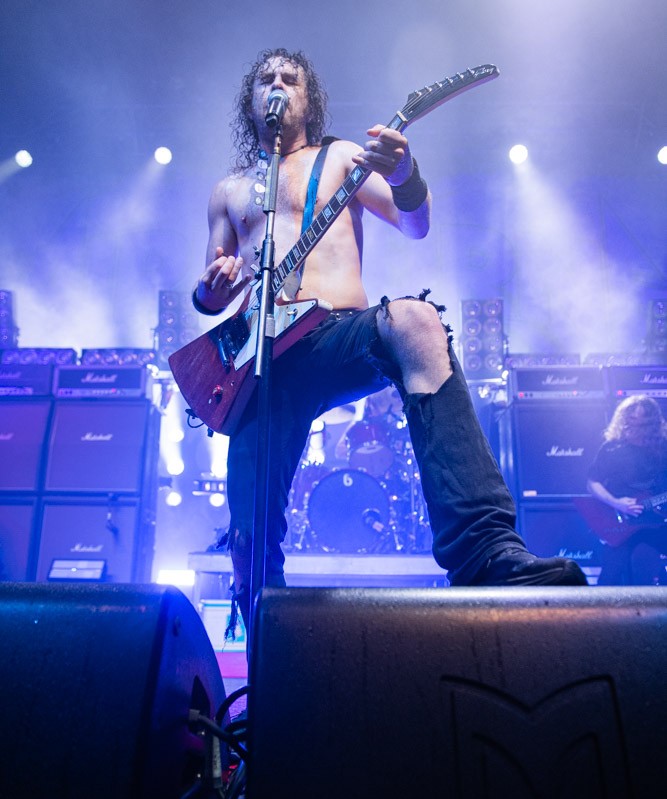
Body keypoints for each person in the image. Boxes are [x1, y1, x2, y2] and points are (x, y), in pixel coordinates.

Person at [191, 47, 586, 632]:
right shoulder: (228, 190)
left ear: (308, 99)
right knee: (248, 539)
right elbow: (211, 294)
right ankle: (268, 655)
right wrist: (212, 288)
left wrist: (404, 174)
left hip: (333, 335)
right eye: (265, 79)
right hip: (261, 363)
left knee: (417, 322)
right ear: (250, 102)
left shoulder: (340, 157)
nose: (276, 85)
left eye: (289, 78)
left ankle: (485, 551)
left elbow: (415, 224)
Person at [586, 395, 667, 585]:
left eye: (641, 424)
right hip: (620, 522)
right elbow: (592, 483)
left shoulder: (662, 447)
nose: (634, 428)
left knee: (646, 570)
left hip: (656, 522)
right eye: (630, 422)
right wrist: (617, 503)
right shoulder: (612, 448)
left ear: (652, 423)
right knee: (610, 576)